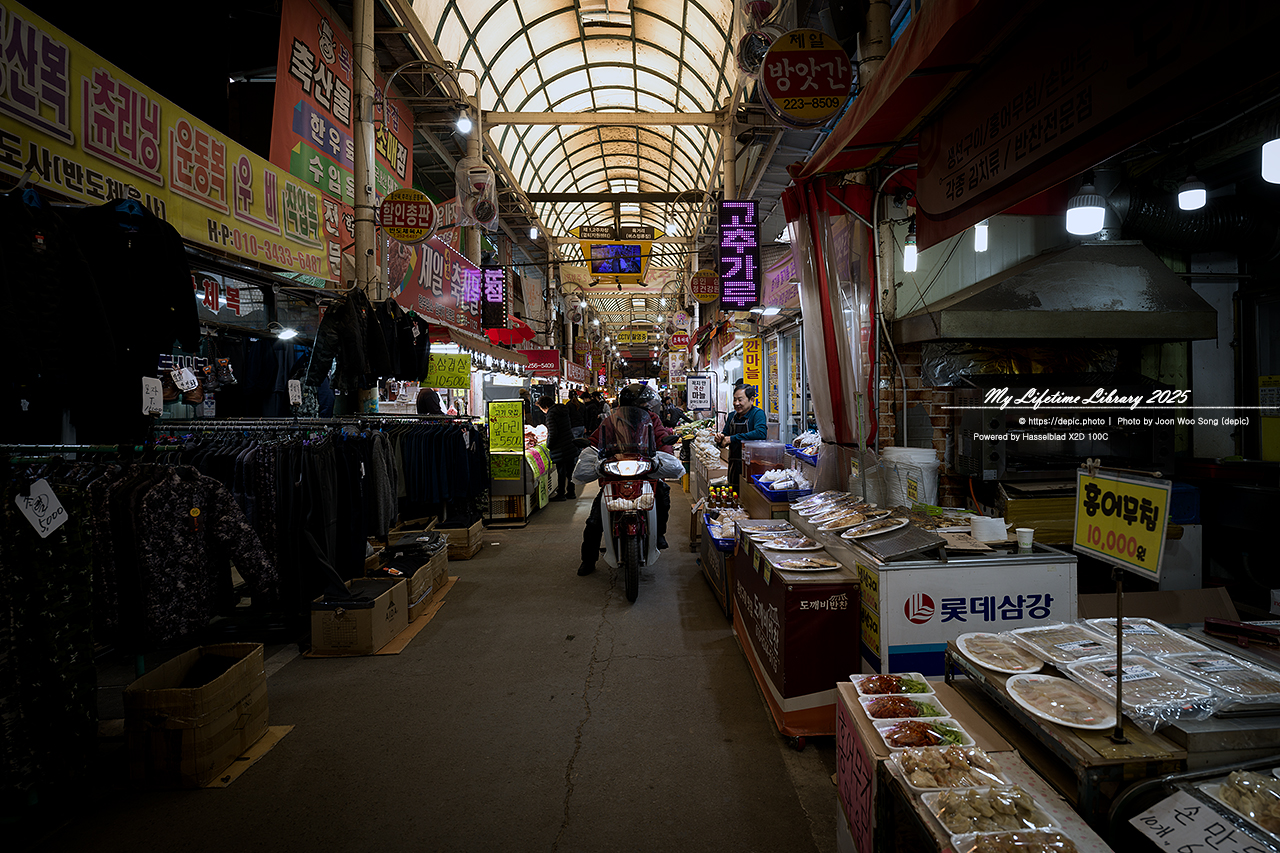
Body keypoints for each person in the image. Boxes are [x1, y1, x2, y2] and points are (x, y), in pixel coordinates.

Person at [578, 383, 674, 576]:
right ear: (633, 405)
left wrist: (664, 457)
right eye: (643, 404)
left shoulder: (652, 419)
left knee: (663, 495)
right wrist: (588, 449)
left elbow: (661, 437)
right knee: (595, 519)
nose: (647, 407)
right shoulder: (611, 420)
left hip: (644, 470)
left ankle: (660, 533)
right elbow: (596, 440)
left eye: (648, 403)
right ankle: (588, 560)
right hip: (615, 472)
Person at [713, 383, 767, 489]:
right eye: (734, 399)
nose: (736, 403)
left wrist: (732, 439)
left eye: (740, 399)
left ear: (751, 400)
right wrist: (720, 438)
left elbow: (761, 433)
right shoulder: (732, 416)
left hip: (752, 465)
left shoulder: (757, 414)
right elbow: (726, 435)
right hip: (734, 464)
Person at [537, 394, 576, 500]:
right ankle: (571, 492)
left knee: (561, 472)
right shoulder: (563, 410)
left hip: (560, 447)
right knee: (570, 471)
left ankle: (561, 494)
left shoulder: (551, 414)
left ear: (544, 406)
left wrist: (548, 445)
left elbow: (553, 433)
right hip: (569, 443)